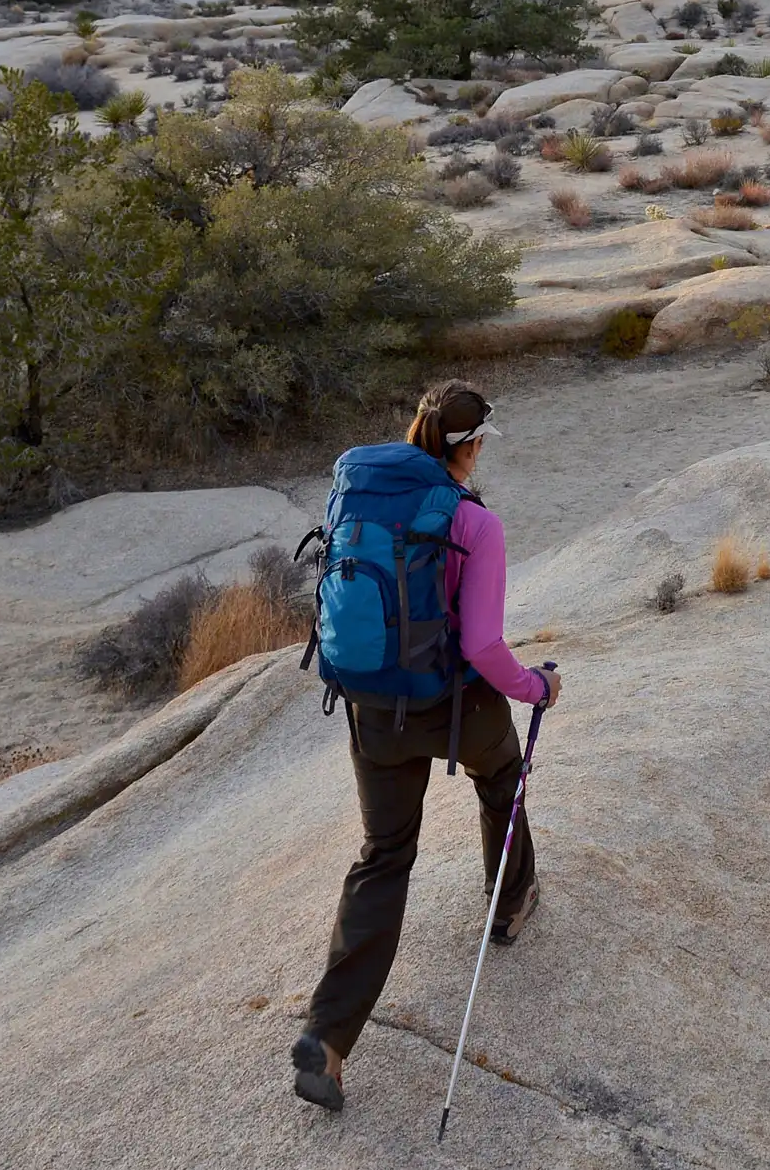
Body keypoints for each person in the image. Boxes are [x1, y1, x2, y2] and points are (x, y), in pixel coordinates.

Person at [293, 381, 558, 1113]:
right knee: (503, 772)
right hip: (454, 704)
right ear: (468, 449)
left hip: (373, 704)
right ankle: (509, 904)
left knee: (385, 854)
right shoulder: (476, 522)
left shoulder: (361, 491)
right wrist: (535, 687)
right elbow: (480, 644)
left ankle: (328, 1040)